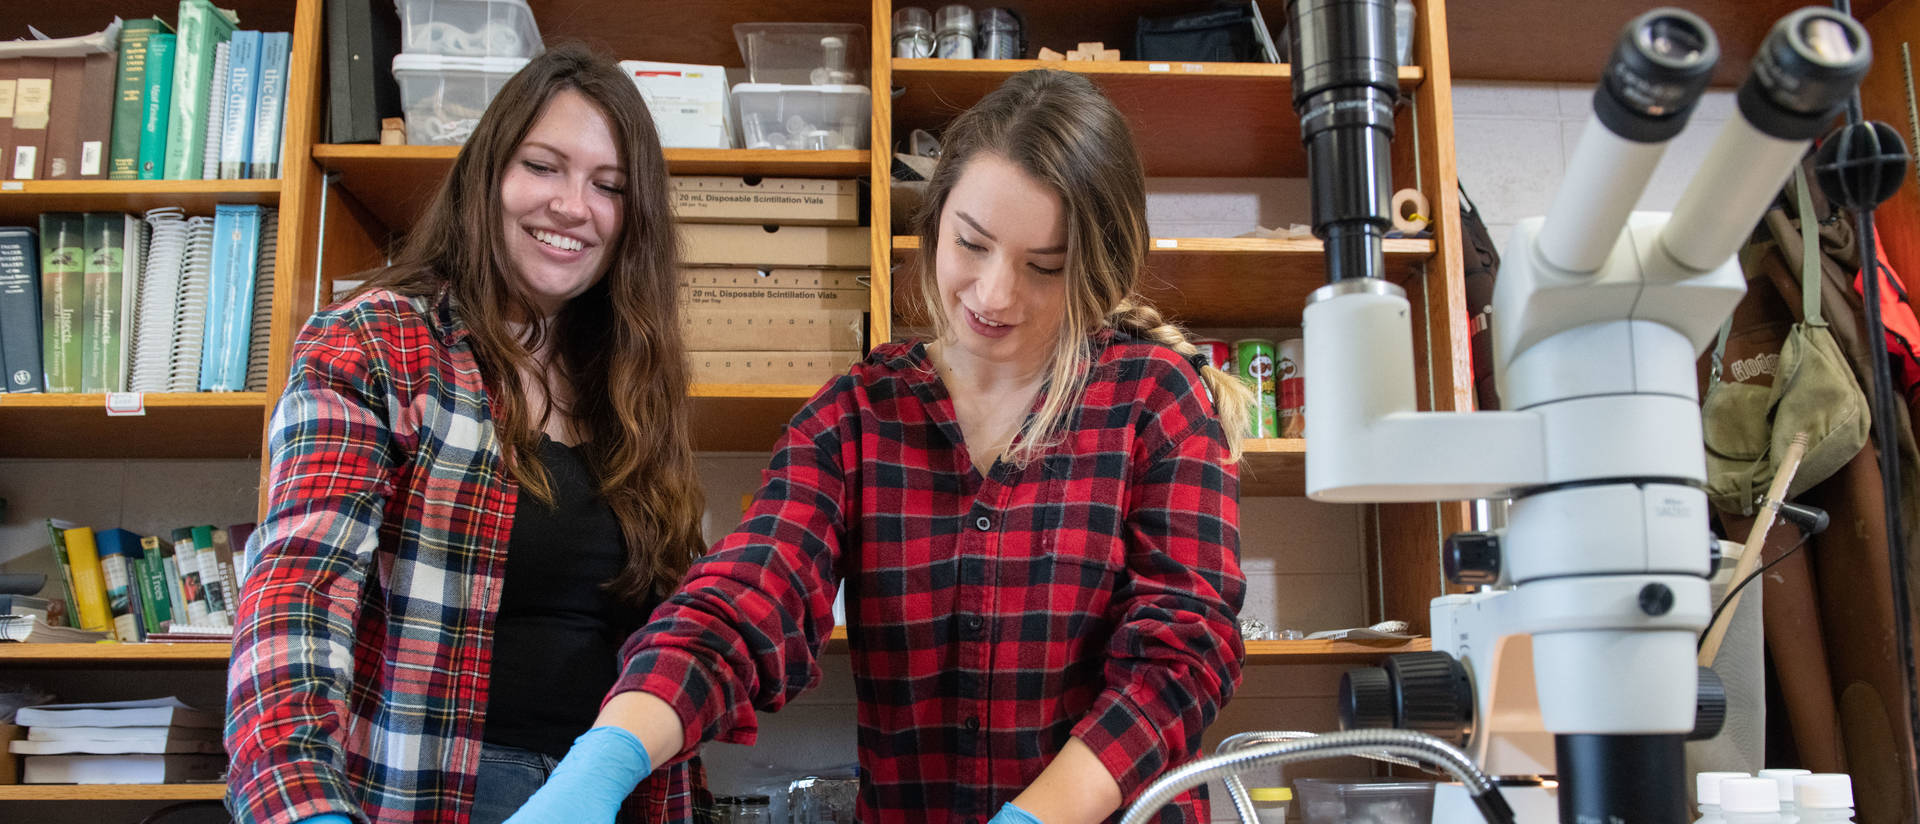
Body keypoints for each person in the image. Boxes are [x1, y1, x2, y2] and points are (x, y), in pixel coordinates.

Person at [507, 68, 1254, 824]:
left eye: (1044, 267)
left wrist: (1039, 816)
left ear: (1100, 267)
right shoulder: (860, 416)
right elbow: (749, 592)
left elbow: (1182, 654)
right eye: (972, 243)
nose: (993, 294)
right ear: (934, 225)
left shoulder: (1153, 401)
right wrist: (606, 759)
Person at [224, 45, 708, 824]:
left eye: (608, 186)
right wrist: (304, 805)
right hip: (436, 793)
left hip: (616, 795)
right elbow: (296, 594)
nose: (573, 205)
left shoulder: (633, 388)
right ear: (488, 173)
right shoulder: (378, 343)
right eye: (543, 166)